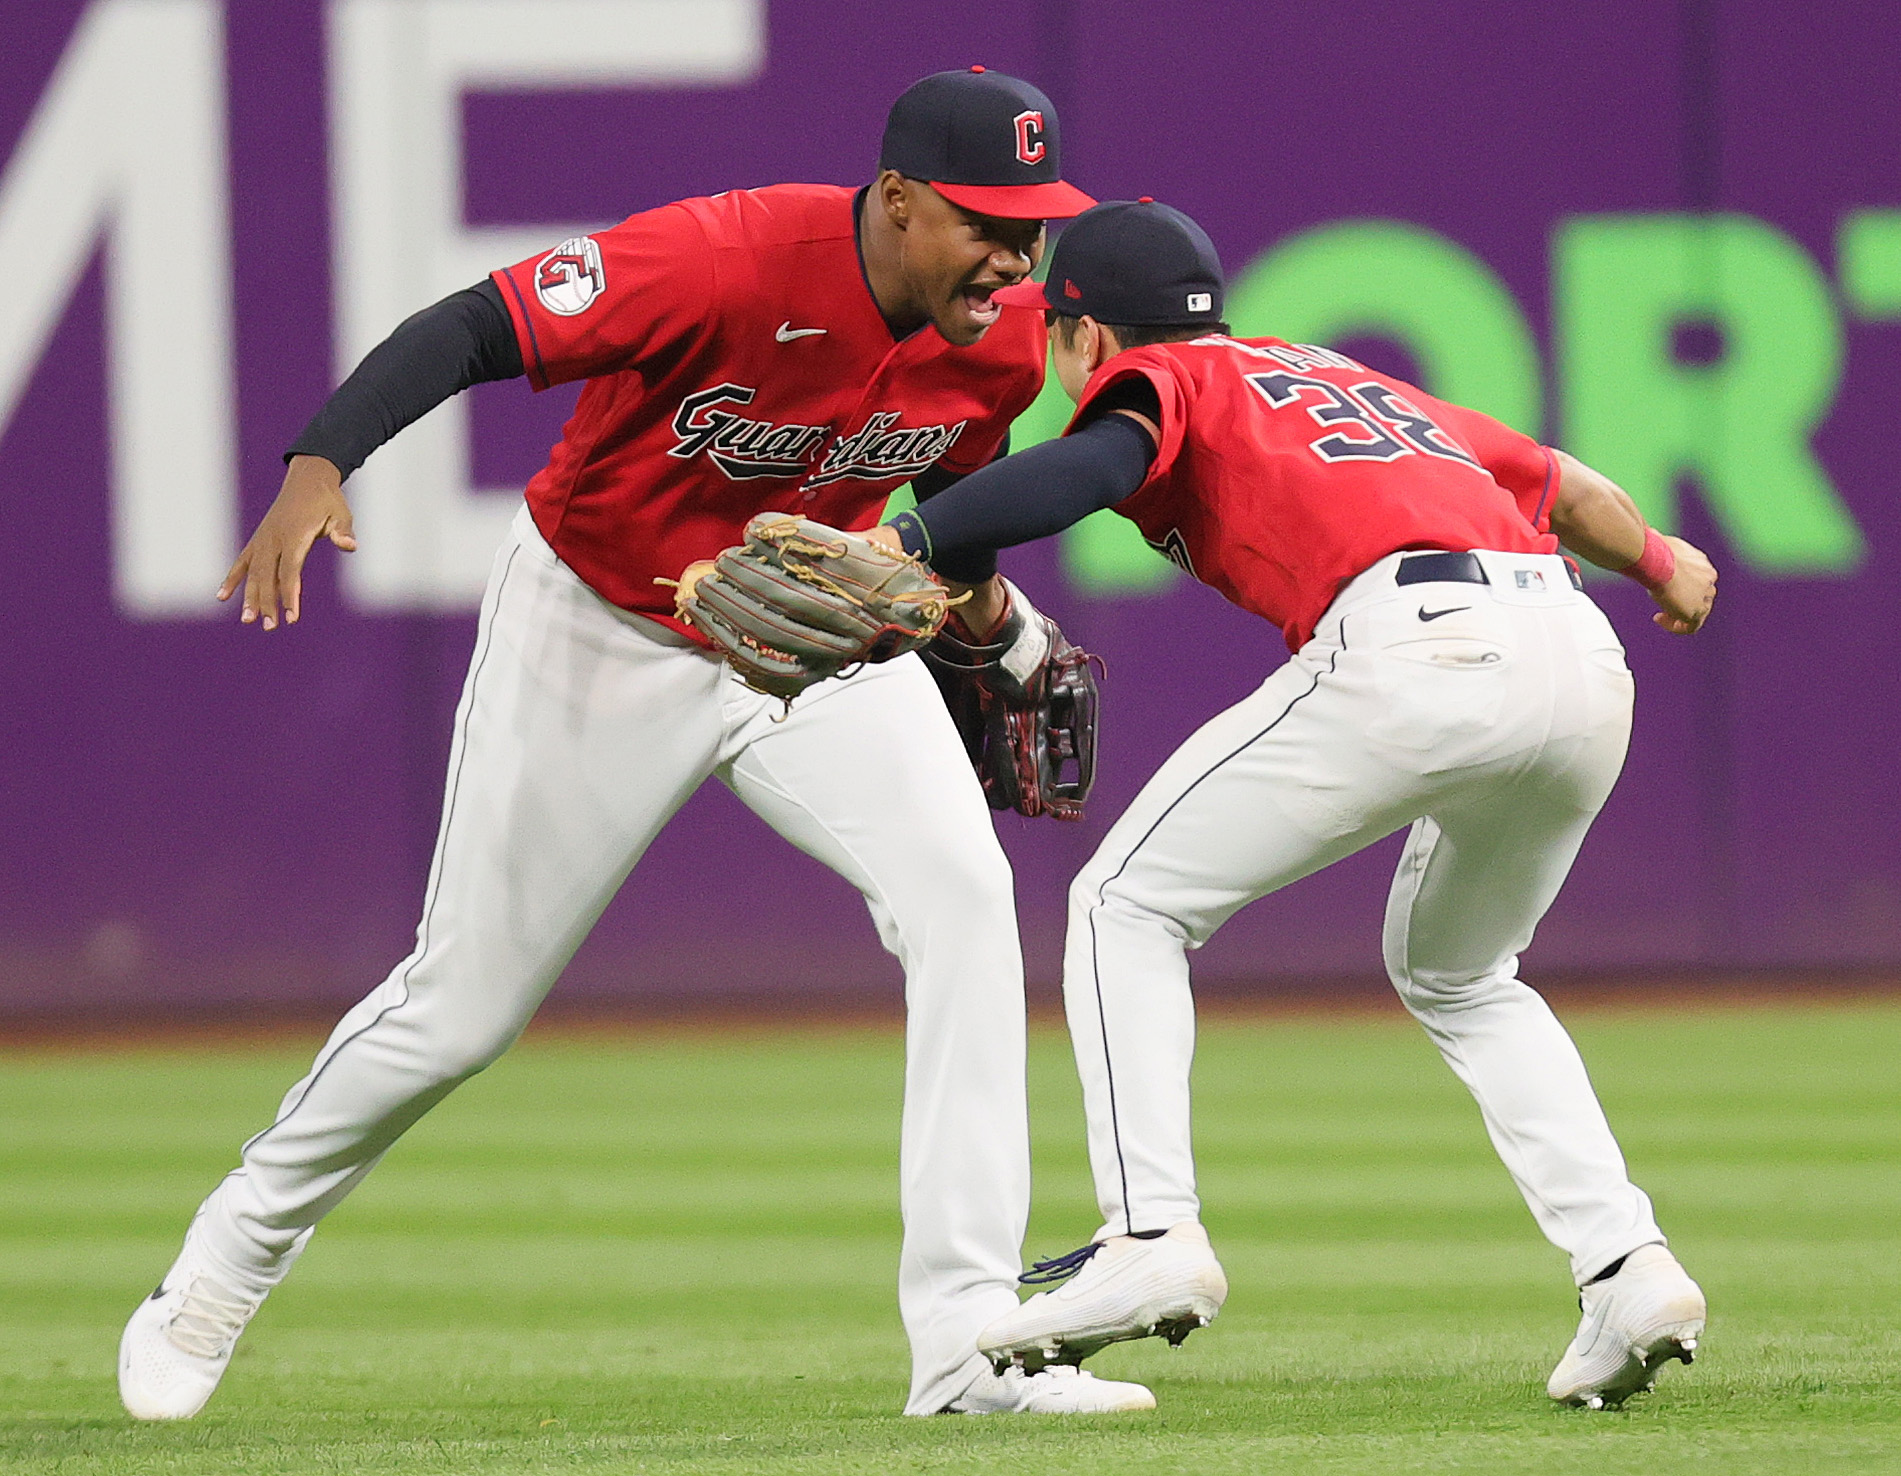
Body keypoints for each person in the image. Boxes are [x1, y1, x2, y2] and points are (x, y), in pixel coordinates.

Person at [118, 69, 1157, 1422]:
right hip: (605, 625)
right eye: (984, 220)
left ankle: (966, 1346)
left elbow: (951, 503)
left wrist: (1003, 626)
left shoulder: (1002, 339)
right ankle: (226, 1258)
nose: (1017, 254)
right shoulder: (726, 257)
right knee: (462, 1009)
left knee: (960, 904)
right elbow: (473, 327)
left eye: (1034, 225)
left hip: (815, 634)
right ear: (897, 199)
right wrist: (323, 462)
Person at [863, 199, 1718, 1412]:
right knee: (1466, 975)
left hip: (1415, 645)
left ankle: (1149, 1236)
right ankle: (1627, 1265)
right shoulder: (1337, 377)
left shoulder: (1155, 379)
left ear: (1084, 334)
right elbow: (1561, 481)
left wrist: (916, 533)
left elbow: (1095, 467)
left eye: (1057, 335)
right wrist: (1660, 559)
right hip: (1577, 658)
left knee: (1122, 905)